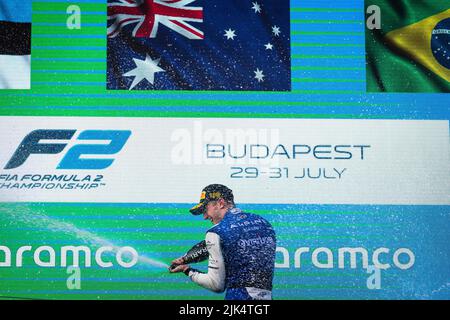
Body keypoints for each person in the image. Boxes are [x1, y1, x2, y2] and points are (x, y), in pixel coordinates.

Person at [169, 184, 277, 300]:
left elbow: (216, 285)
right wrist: (185, 258)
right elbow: (233, 244)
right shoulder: (263, 223)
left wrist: (187, 270)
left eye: (205, 209)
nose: (205, 216)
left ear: (220, 203)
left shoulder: (216, 232)